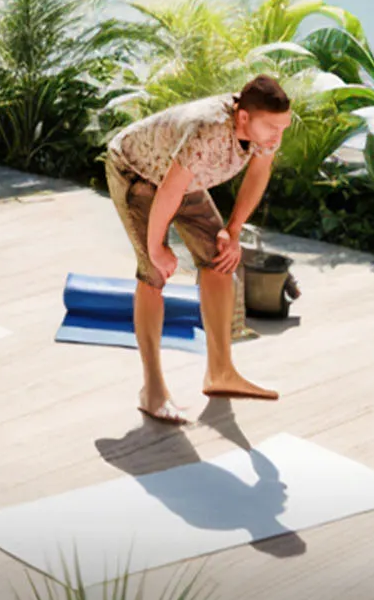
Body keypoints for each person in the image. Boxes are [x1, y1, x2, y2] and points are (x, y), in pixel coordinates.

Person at [106, 74, 293, 423]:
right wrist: (156, 247)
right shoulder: (206, 130)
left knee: (220, 258)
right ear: (242, 117)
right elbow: (168, 192)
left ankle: (220, 372)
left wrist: (232, 231)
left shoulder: (263, 129)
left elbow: (258, 172)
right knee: (154, 274)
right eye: (272, 127)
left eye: (283, 127)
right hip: (137, 172)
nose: (277, 137)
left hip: (180, 177)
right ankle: (152, 390)